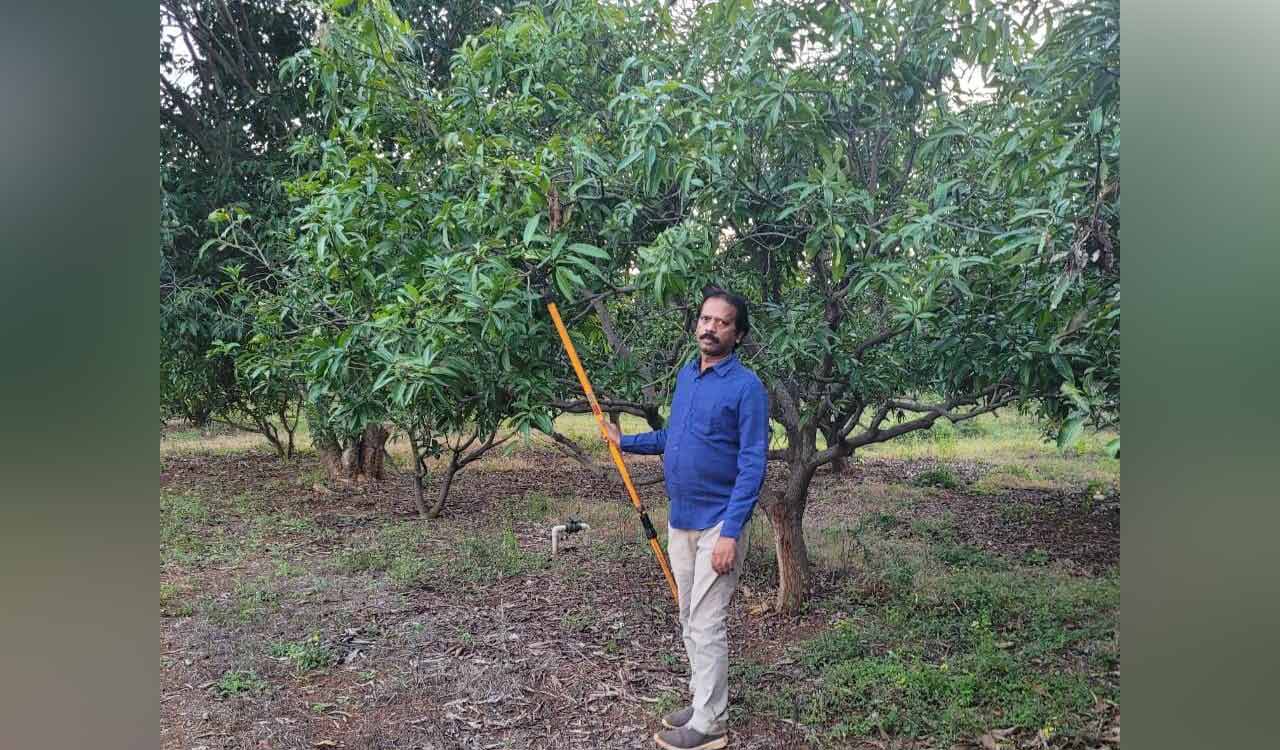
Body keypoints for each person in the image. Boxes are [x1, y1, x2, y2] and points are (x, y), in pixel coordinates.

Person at [603, 288, 769, 750]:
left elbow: (753, 463)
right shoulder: (687, 377)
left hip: (720, 522)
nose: (709, 327)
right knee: (686, 613)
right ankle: (703, 701)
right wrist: (625, 442)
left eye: (721, 322)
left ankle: (711, 722)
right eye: (704, 319)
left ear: (737, 334)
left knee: (705, 620)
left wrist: (731, 534)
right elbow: (674, 437)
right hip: (682, 519)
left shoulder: (747, 388)